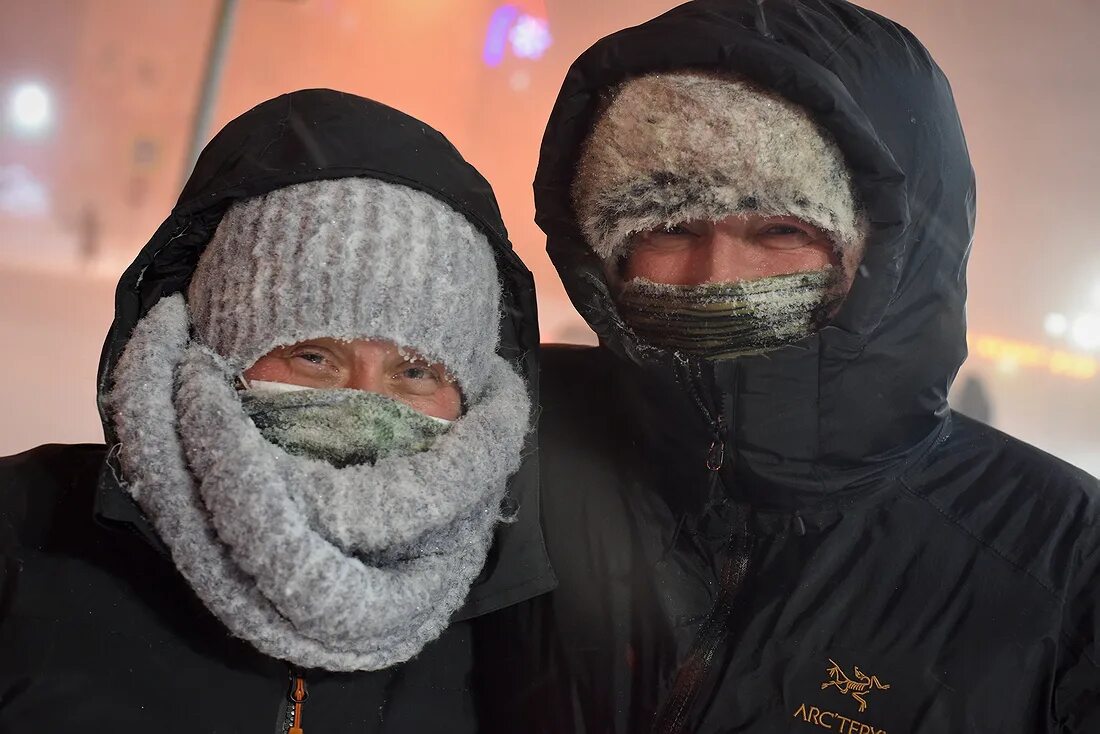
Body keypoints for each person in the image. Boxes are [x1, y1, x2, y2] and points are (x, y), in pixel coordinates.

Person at [513, 1, 1100, 732]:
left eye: (782, 230)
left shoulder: (1061, 562)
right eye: (668, 226)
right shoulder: (515, 440)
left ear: (891, 254)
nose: (714, 276)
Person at [0, 89, 554, 732]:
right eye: (314, 356)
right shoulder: (24, 539)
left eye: (416, 371)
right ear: (216, 346)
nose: (367, 404)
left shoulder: (519, 628)